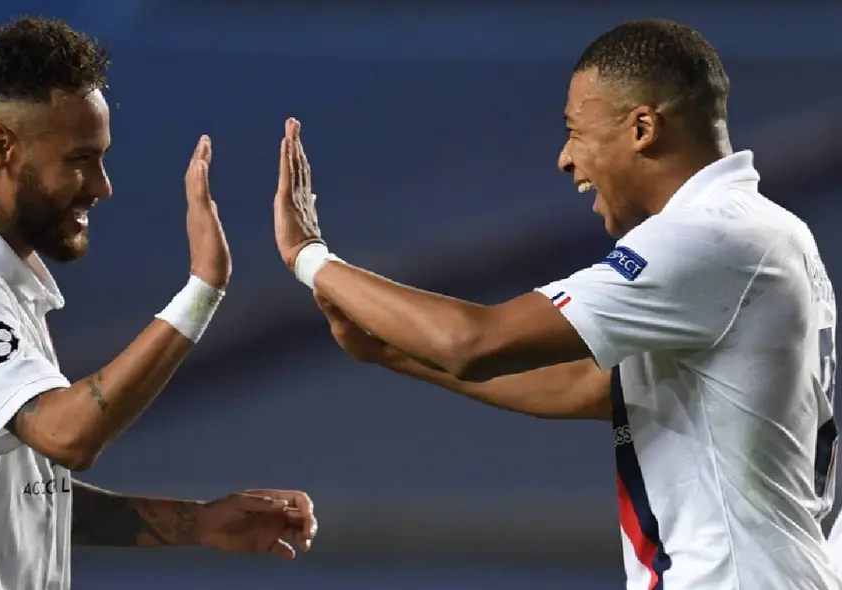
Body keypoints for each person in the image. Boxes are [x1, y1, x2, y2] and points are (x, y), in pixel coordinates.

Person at [271, 19, 839, 590]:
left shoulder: (710, 237)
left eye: (577, 131)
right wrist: (389, 353)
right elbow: (589, 386)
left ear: (643, 128)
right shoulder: (771, 233)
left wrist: (309, 256)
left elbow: (473, 341)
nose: (566, 158)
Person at [0, 16, 316, 590]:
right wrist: (201, 291)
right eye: (80, 159)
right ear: (0, 147)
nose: (101, 185)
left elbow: (28, 497)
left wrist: (195, 522)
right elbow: (68, 437)